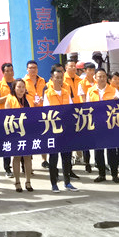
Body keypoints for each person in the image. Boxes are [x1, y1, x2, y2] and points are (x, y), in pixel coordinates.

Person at [85, 67, 119, 183]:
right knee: (98, 151)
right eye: (99, 76)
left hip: (110, 124)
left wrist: (118, 100)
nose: (101, 78)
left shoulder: (113, 90)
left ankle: (114, 175)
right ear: (95, 78)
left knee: (111, 151)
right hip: (97, 124)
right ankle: (101, 174)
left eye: (103, 76)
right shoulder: (90, 91)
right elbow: (87, 107)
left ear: (106, 78)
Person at [45, 64, 76, 192]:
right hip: (53, 131)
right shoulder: (47, 93)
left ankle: (67, 182)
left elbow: (71, 109)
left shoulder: (66, 93)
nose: (59, 80)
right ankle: (54, 183)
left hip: (66, 130)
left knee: (67, 158)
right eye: (56, 77)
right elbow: (46, 112)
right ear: (52, 78)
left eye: (60, 77)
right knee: (53, 158)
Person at [5, 80, 34, 192]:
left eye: (23, 87)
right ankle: (17, 182)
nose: (21, 89)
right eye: (19, 87)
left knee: (27, 157)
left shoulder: (29, 98)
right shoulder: (10, 99)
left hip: (28, 132)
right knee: (16, 157)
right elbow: (6, 116)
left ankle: (28, 181)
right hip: (15, 132)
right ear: (14, 88)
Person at [0, 63, 16, 177]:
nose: (10, 73)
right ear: (3, 72)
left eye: (11, 70)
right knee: (7, 144)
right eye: (7, 71)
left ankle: (24, 167)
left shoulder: (17, 83)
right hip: (5, 119)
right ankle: (7, 168)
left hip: (18, 118)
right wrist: (8, 97)